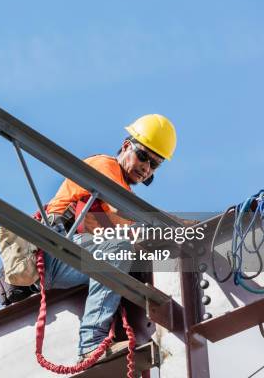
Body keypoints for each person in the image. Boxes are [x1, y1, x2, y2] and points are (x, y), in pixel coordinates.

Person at [43, 114, 176, 361]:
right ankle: (91, 343)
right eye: (143, 156)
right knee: (121, 248)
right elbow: (125, 214)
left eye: (154, 164)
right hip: (57, 252)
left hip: (75, 255)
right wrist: (178, 228)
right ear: (126, 146)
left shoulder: (120, 192)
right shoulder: (104, 166)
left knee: (128, 250)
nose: (146, 167)